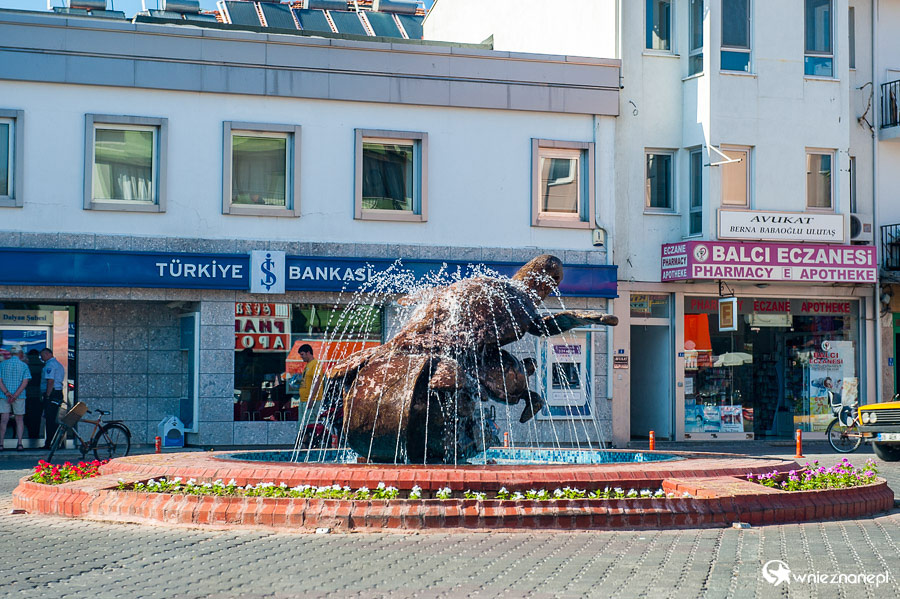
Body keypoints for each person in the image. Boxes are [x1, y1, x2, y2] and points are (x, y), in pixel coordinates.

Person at [0, 347, 31, 451]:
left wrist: (7, 393)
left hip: (4, 395)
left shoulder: (2, 364)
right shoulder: (24, 366)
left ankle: (1, 444)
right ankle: (20, 443)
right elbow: (25, 382)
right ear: (20, 354)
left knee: (4, 420)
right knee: (19, 419)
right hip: (20, 396)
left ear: (11, 354)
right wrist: (15, 395)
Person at [40, 348, 65, 449]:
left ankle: (50, 443)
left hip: (53, 393)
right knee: (53, 419)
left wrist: (47, 395)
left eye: (42, 355)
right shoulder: (58, 364)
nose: (41, 358)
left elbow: (50, 381)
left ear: (47, 354)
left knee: (50, 420)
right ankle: (56, 442)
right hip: (57, 393)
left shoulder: (50, 365)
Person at [296, 344, 323, 425]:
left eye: (302, 354)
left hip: (311, 400)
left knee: (309, 425)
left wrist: (311, 399)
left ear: (308, 353)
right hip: (304, 400)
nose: (301, 357)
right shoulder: (308, 365)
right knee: (302, 425)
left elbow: (317, 381)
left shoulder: (315, 364)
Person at [24, 349, 43, 439]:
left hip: (27, 395)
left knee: (27, 417)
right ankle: (35, 434)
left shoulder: (26, 367)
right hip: (39, 395)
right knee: (37, 417)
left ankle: (31, 434)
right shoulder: (43, 366)